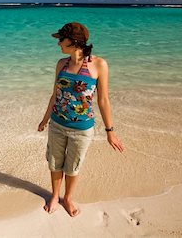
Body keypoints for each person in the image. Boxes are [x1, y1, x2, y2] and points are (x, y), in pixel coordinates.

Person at [38, 22, 124, 217]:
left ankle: (67, 198)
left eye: (62, 39)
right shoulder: (61, 64)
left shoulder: (99, 65)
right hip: (57, 124)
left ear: (74, 41)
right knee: (54, 163)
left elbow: (103, 100)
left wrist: (110, 132)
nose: (59, 43)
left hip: (82, 129)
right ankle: (54, 195)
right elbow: (54, 95)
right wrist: (44, 120)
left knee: (73, 166)